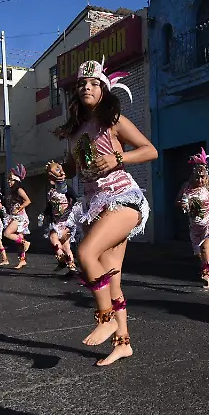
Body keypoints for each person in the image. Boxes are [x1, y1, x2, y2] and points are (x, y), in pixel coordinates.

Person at [56, 58, 156, 366]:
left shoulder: (112, 121)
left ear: (105, 89)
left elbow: (150, 149)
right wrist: (60, 171)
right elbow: (74, 167)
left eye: (94, 83)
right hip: (94, 204)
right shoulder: (75, 132)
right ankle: (123, 343)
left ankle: (106, 317)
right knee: (112, 279)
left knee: (86, 253)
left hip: (123, 199)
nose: (87, 87)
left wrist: (119, 157)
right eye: (82, 84)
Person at [176, 148, 209, 288]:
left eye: (202, 177)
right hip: (195, 226)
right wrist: (184, 205)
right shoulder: (186, 187)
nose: (200, 180)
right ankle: (207, 274)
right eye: (197, 177)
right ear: (193, 175)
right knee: (200, 254)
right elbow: (177, 202)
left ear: (206, 176)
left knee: (205, 248)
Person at [43, 160, 78, 273]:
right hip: (56, 221)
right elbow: (49, 207)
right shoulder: (50, 192)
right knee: (65, 245)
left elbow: (76, 200)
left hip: (67, 220)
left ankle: (64, 260)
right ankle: (69, 265)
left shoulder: (66, 189)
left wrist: (77, 214)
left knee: (54, 239)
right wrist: (44, 215)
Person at [3, 165, 33, 270]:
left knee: (7, 233)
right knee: (19, 242)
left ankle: (26, 243)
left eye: (10, 179)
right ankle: (22, 260)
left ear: (16, 180)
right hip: (14, 216)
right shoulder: (11, 192)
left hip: (20, 218)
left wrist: (19, 208)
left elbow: (28, 201)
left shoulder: (19, 190)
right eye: (8, 180)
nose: (9, 182)